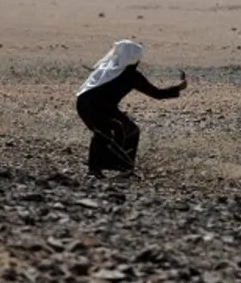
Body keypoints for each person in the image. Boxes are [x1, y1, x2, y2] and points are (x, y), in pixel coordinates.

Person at [75, 39, 187, 178]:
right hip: (97, 106)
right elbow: (157, 94)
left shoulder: (107, 68)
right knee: (125, 131)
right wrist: (179, 87)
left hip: (83, 103)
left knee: (107, 132)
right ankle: (119, 168)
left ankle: (103, 167)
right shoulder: (131, 75)